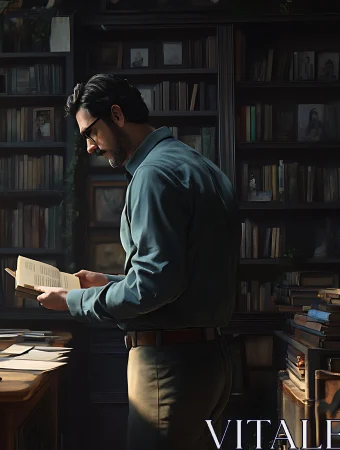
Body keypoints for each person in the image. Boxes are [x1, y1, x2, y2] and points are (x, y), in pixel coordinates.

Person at [35, 74, 240, 450]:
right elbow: (179, 274)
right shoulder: (198, 165)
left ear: (116, 114)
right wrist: (109, 283)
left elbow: (156, 285)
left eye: (90, 133)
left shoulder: (153, 175)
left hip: (169, 366)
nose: (91, 147)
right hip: (211, 362)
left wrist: (73, 301)